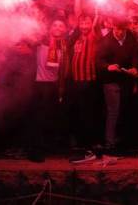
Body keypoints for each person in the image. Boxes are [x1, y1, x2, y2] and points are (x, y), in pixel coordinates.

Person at [28, 18, 70, 162]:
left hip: (53, 85)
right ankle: (35, 151)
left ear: (64, 30)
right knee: (38, 119)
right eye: (55, 25)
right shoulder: (41, 41)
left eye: (61, 25)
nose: (58, 27)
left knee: (49, 119)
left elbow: (62, 69)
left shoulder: (64, 46)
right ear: (50, 28)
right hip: (40, 84)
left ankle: (45, 148)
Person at [95, 18, 138, 154]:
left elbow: (135, 55)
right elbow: (98, 60)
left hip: (126, 80)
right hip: (110, 80)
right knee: (113, 110)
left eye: (122, 29)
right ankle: (109, 142)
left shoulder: (131, 38)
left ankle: (122, 140)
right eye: (116, 29)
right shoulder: (106, 40)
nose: (119, 32)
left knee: (125, 109)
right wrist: (109, 66)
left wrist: (135, 67)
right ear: (112, 27)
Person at [67, 14, 102, 164]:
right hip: (76, 82)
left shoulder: (94, 35)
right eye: (82, 22)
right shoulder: (78, 37)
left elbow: (95, 25)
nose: (84, 25)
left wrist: (95, 15)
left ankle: (90, 151)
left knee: (88, 116)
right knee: (79, 115)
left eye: (87, 22)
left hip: (89, 82)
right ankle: (83, 148)